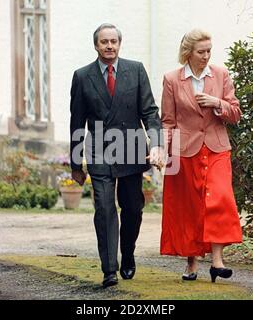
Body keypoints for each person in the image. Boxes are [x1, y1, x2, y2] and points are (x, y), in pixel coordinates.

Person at [70, 23, 164, 288]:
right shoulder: (82, 76)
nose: (109, 46)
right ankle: (109, 269)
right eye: (104, 42)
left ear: (119, 44)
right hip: (99, 150)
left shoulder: (135, 70)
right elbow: (76, 123)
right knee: (104, 208)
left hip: (133, 148)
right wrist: (76, 164)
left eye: (113, 41)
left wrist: (156, 144)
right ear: (96, 45)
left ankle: (129, 254)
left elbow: (150, 112)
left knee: (133, 207)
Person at [160, 29, 243, 283]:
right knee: (189, 207)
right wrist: (165, 153)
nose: (206, 56)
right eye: (201, 51)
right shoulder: (172, 79)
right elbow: (168, 122)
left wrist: (217, 103)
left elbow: (236, 113)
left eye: (209, 50)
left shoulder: (221, 75)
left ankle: (217, 262)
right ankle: (192, 262)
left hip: (217, 148)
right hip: (185, 151)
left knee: (219, 199)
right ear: (188, 52)